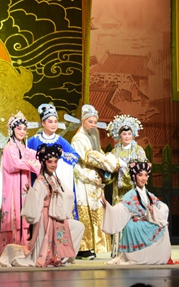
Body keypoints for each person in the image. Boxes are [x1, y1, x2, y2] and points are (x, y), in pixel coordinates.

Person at [0, 144, 86, 267]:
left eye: (55, 161)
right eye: (50, 162)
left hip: (56, 216)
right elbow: (36, 204)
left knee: (78, 227)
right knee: (38, 256)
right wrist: (32, 194)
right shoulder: (40, 181)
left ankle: (64, 257)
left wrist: (59, 195)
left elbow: (69, 194)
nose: (53, 165)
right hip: (45, 219)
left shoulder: (55, 179)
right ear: (43, 163)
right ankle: (53, 257)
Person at [0, 112, 40, 261]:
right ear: (12, 130)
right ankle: (10, 252)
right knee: (14, 217)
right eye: (19, 129)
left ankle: (23, 249)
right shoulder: (9, 147)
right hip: (12, 187)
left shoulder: (22, 147)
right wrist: (33, 164)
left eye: (24, 129)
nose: (22, 132)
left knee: (24, 216)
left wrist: (42, 154)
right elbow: (14, 165)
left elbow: (34, 154)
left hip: (23, 185)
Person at [72, 104, 121, 258]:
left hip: (94, 182)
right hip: (83, 180)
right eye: (90, 121)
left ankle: (93, 246)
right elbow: (90, 157)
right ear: (83, 121)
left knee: (95, 213)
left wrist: (107, 160)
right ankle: (83, 248)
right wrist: (111, 161)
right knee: (84, 213)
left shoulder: (92, 137)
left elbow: (99, 153)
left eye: (95, 122)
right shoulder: (79, 139)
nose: (93, 125)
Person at [101, 161, 171, 264]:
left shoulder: (149, 195)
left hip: (147, 222)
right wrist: (108, 207)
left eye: (146, 175)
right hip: (135, 225)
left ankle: (155, 257)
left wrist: (155, 210)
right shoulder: (130, 195)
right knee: (136, 227)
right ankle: (138, 257)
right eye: (140, 175)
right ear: (134, 177)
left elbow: (162, 205)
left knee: (163, 225)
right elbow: (119, 210)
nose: (143, 178)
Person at [106, 114, 147, 255]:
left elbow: (144, 168)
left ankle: (135, 247)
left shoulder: (138, 150)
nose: (127, 136)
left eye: (129, 133)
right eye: (124, 134)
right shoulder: (115, 151)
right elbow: (109, 169)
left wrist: (130, 171)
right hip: (118, 190)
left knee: (134, 215)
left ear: (133, 134)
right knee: (119, 215)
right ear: (119, 135)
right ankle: (118, 248)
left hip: (134, 189)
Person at [26, 103, 80, 202]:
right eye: (50, 122)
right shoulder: (33, 140)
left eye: (56, 121)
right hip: (38, 181)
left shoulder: (60, 140)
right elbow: (23, 155)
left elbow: (75, 157)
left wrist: (62, 155)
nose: (54, 124)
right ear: (43, 123)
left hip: (57, 181)